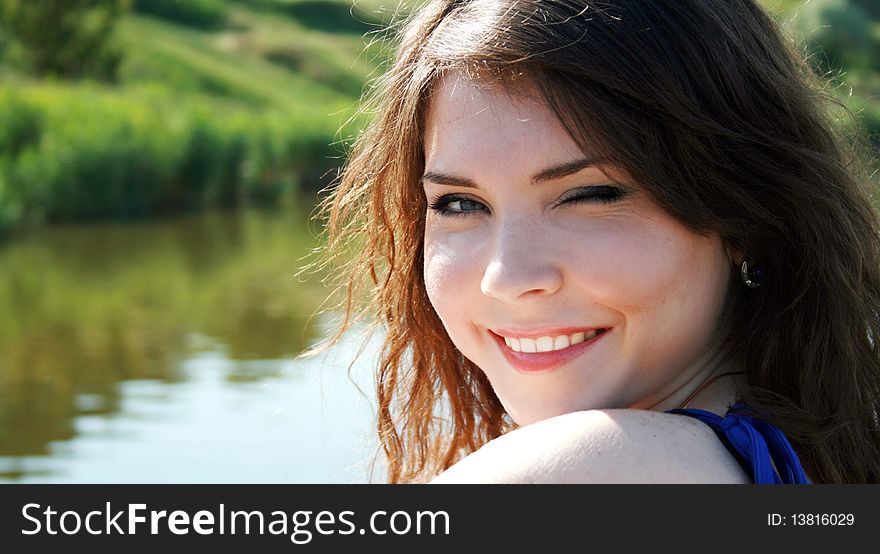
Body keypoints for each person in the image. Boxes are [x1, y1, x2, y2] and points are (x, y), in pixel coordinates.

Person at [314, 0, 880, 483]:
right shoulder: (821, 454)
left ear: (743, 215)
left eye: (590, 196)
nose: (507, 277)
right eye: (459, 204)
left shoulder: (593, 470)